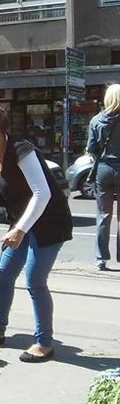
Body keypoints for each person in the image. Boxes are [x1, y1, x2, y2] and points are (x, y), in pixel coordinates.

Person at [0, 101, 72, 363]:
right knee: (3, 273)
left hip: (49, 223)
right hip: (22, 223)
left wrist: (20, 230)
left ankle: (44, 343)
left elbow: (42, 193)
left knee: (35, 281)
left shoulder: (22, 151)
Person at [87, 84, 120, 272]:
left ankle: (101, 259)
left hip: (104, 169)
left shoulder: (96, 120)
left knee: (103, 215)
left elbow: (92, 148)